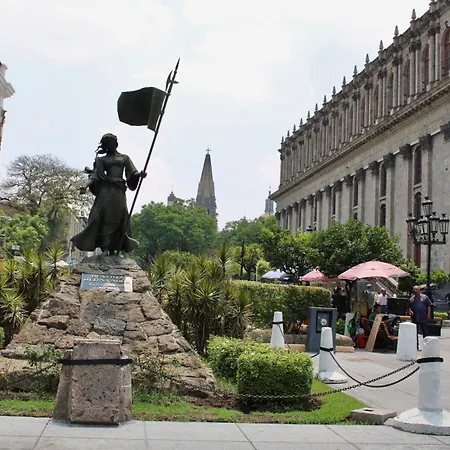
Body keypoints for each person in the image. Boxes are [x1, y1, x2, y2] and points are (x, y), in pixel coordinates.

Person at [71, 133, 147, 256]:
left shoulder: (124, 158)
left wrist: (140, 175)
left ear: (116, 144)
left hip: (118, 192)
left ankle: (115, 248)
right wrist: (85, 186)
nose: (109, 146)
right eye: (106, 144)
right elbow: (96, 175)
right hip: (106, 191)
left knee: (119, 217)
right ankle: (105, 248)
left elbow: (132, 173)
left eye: (110, 143)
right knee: (103, 217)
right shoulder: (101, 160)